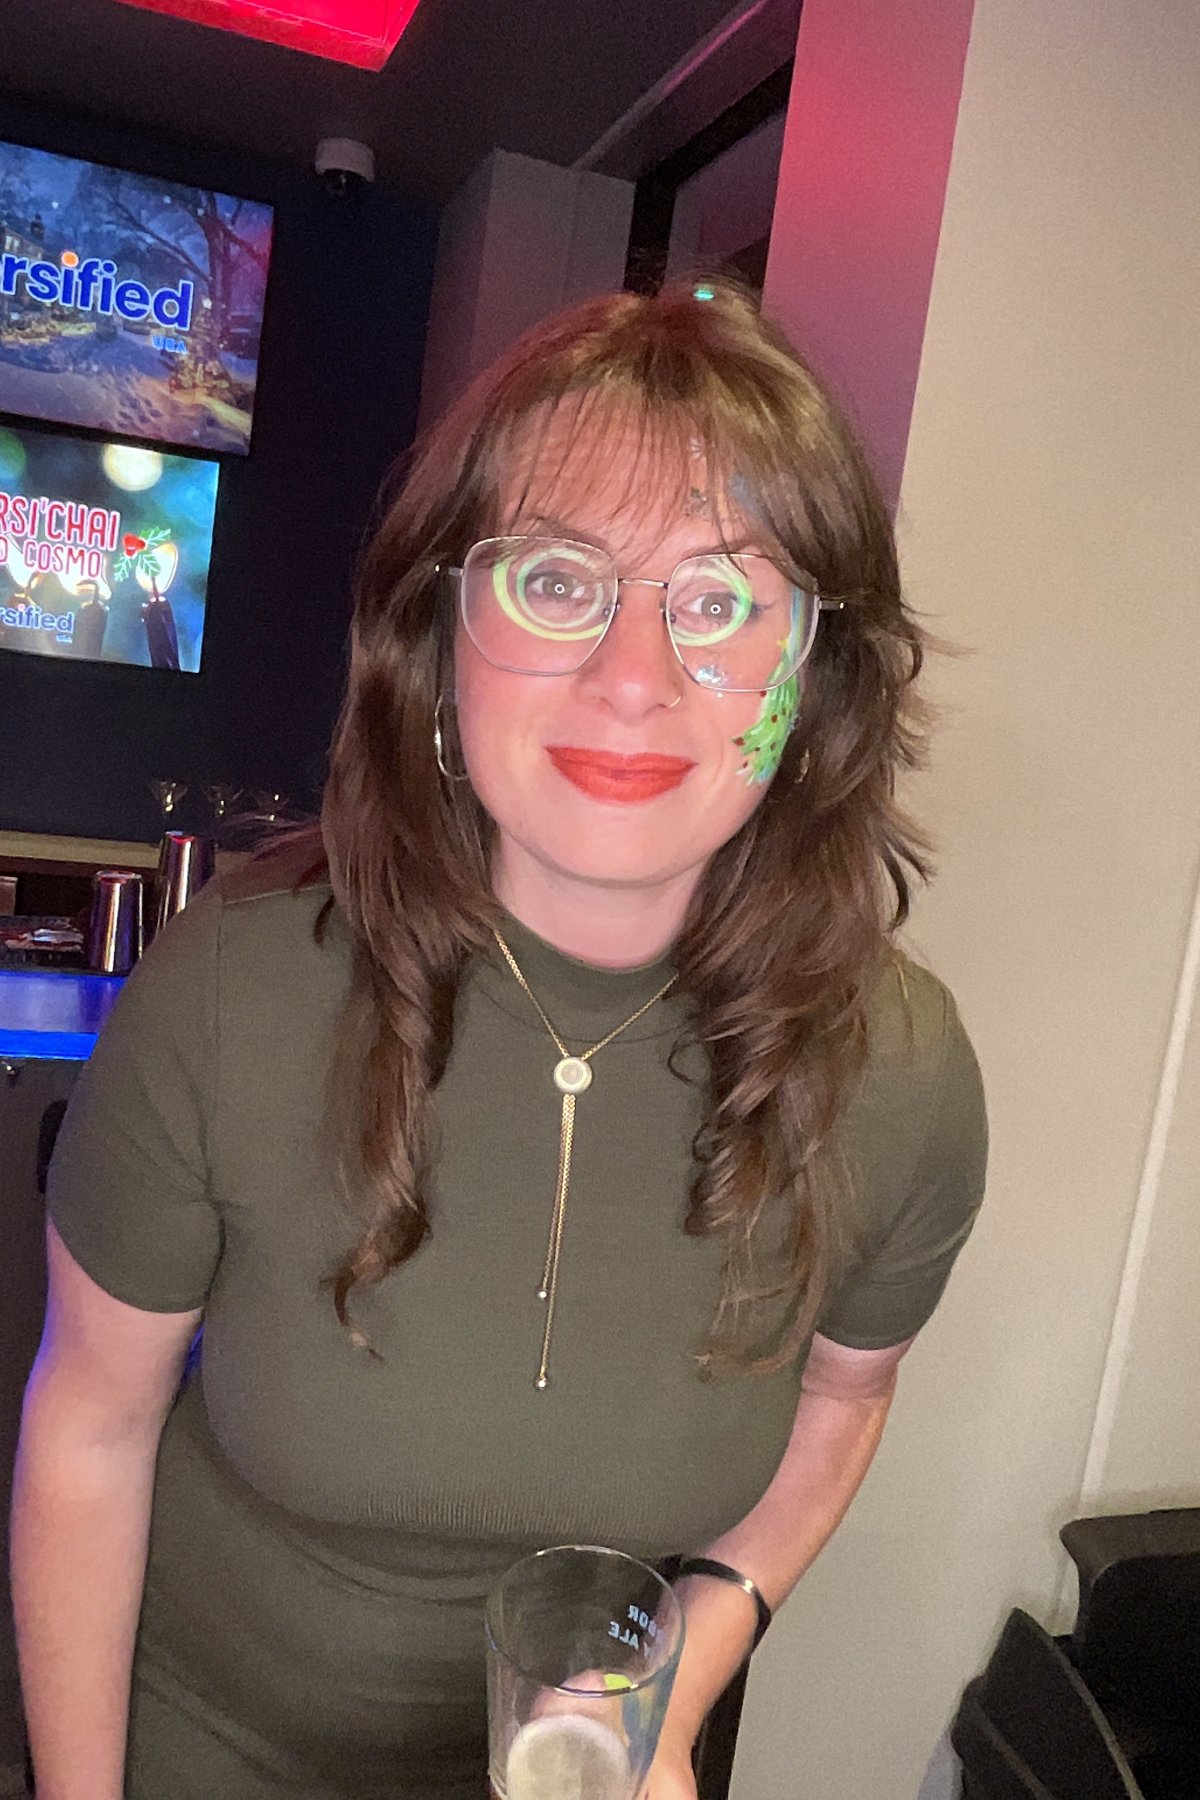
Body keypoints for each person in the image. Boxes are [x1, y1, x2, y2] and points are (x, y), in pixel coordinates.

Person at [12, 279, 987, 1800]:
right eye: (555, 581)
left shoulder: (902, 1074)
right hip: (200, 1743)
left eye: (719, 601)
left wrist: (674, 1682)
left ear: (814, 677)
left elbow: (845, 1399)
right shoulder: (225, 1000)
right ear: (441, 634)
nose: (633, 675)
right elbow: (89, 1425)